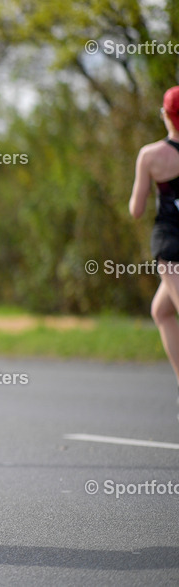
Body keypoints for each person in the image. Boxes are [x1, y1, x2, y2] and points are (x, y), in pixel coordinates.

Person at [129, 85, 179, 421]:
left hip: (171, 243)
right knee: (161, 311)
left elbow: (136, 209)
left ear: (165, 114)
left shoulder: (151, 155)